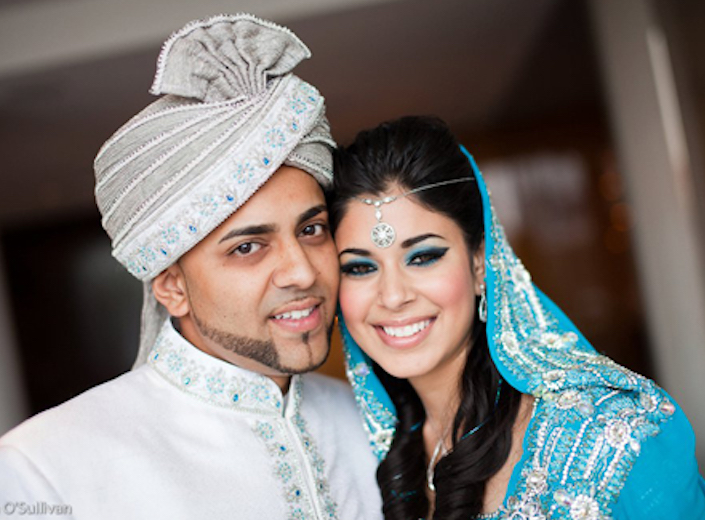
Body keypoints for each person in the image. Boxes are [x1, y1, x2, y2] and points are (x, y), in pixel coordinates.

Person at [0, 14, 381, 520]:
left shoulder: (375, 420)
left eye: (311, 229)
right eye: (248, 247)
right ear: (171, 286)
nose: (303, 272)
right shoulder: (45, 466)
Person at [329, 116, 705, 519]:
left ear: (480, 265)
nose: (394, 295)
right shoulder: (358, 454)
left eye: (423, 257)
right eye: (359, 268)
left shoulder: (613, 434)